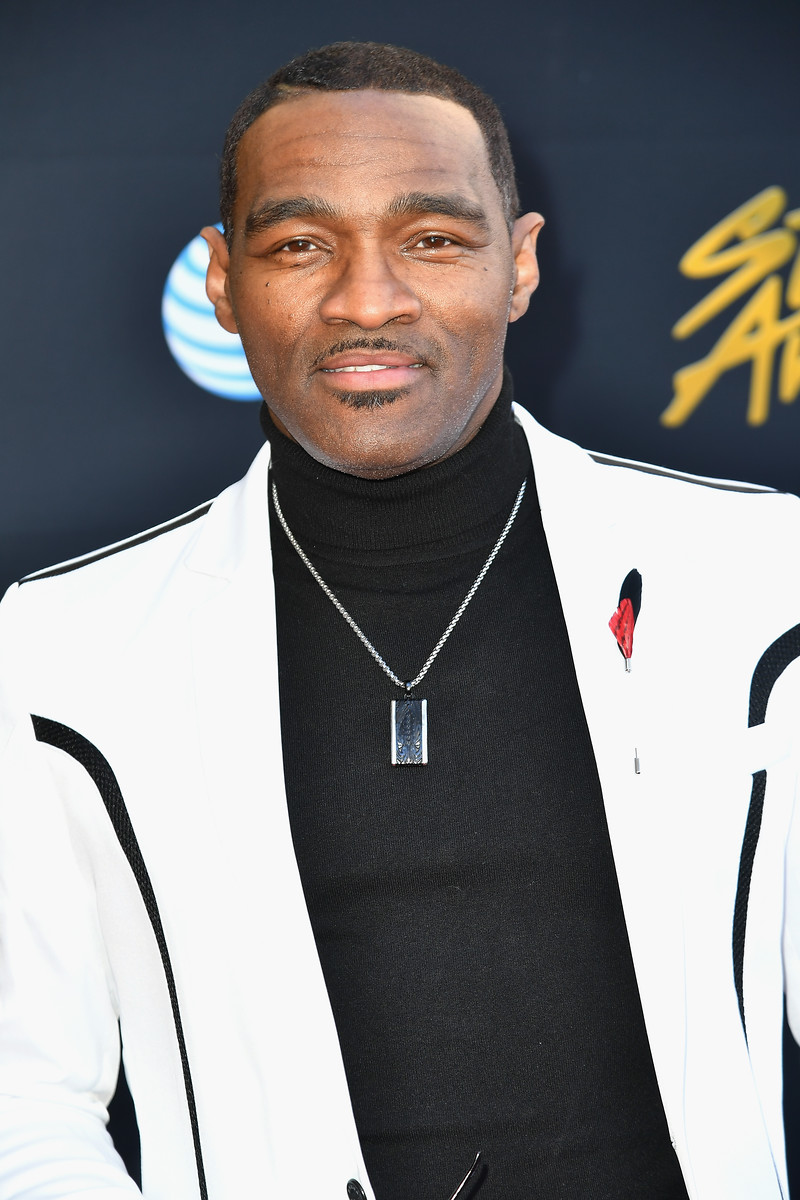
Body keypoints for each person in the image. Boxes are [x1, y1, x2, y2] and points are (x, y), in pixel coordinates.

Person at [0, 40, 799, 1200]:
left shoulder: (759, 577)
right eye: (299, 245)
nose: (365, 300)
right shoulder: (64, 649)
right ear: (220, 281)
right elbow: (22, 1096)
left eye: (431, 239)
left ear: (519, 265)